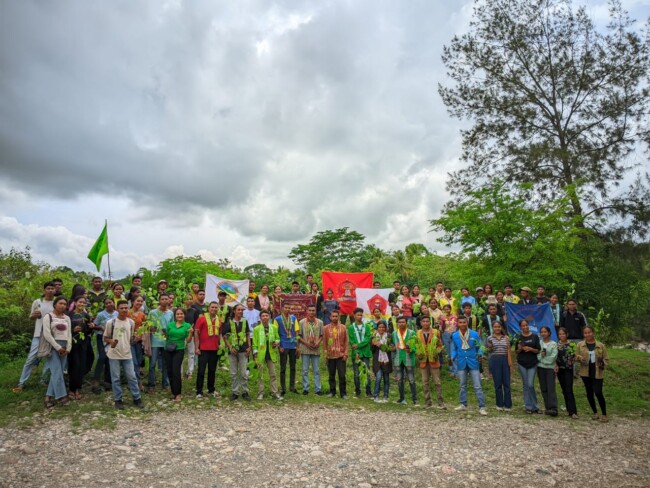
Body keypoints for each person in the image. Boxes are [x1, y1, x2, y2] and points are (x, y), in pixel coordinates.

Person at [13, 281, 56, 393]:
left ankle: (43, 380)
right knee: (31, 358)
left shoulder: (56, 302)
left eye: (52, 288)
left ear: (55, 290)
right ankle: (22, 383)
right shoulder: (37, 302)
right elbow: (31, 316)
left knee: (49, 357)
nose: (50, 290)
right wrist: (34, 315)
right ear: (44, 290)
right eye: (48, 288)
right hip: (38, 333)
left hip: (52, 335)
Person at [104, 300, 144, 410]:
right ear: (117, 309)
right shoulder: (110, 323)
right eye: (121, 308)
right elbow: (105, 337)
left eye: (126, 308)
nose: (124, 310)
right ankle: (118, 399)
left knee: (132, 377)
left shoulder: (131, 322)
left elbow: (130, 339)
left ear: (128, 309)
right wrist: (110, 341)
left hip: (127, 354)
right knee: (116, 378)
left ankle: (137, 398)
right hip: (114, 355)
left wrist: (136, 339)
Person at [451, 316, 487, 415]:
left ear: (467, 323)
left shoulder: (474, 334)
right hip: (461, 362)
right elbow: (454, 349)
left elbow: (480, 347)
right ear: (457, 324)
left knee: (477, 385)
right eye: (460, 322)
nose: (462, 324)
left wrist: (480, 354)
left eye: (464, 322)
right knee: (462, 385)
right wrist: (452, 356)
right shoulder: (454, 335)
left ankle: (482, 406)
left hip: (473, 362)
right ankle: (463, 404)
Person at [42, 296, 72, 408]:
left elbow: (69, 334)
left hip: (64, 347)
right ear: (55, 304)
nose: (63, 306)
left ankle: (48, 397)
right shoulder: (48, 317)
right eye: (60, 303)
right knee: (57, 371)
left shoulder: (67, 318)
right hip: (52, 347)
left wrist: (68, 348)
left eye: (65, 304)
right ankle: (61, 396)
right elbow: (47, 334)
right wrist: (57, 347)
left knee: (57, 372)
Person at [576, 325, 609, 422]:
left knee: (598, 392)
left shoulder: (601, 345)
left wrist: (603, 363)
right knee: (589, 392)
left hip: (597, 372)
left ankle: (604, 414)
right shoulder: (580, 345)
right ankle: (595, 412)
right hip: (585, 372)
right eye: (585, 333)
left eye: (589, 332)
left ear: (593, 333)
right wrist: (579, 358)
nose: (588, 334)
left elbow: (606, 359)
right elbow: (576, 356)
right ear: (583, 334)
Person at [415, 316, 445, 409]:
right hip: (423, 360)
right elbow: (416, 345)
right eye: (423, 321)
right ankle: (428, 402)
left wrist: (437, 351)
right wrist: (417, 353)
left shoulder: (436, 332)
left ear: (430, 322)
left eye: (427, 321)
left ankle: (441, 402)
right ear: (421, 323)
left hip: (434, 360)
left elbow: (440, 345)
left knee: (437, 382)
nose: (425, 323)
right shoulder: (418, 333)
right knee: (425, 382)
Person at [194, 301, 222, 399]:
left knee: (212, 370)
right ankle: (199, 391)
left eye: (216, 307)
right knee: (201, 370)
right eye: (212, 307)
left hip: (214, 349)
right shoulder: (201, 319)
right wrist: (196, 347)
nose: (214, 309)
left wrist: (221, 345)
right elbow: (196, 333)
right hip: (203, 349)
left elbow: (220, 334)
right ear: (208, 308)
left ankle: (211, 390)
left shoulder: (219, 319)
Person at [222, 304, 251, 401]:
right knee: (233, 373)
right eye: (238, 310)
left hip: (243, 350)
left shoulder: (245, 321)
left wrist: (249, 346)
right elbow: (225, 337)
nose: (240, 311)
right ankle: (235, 392)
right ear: (234, 311)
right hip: (233, 351)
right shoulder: (228, 322)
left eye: (242, 310)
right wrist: (230, 347)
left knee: (243, 373)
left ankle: (245, 392)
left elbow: (247, 335)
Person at [252, 310, 282, 400]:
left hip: (271, 353)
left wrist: (276, 343)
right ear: (260, 318)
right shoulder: (256, 329)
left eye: (266, 316)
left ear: (269, 317)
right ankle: (260, 393)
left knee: (273, 374)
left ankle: (275, 392)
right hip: (260, 354)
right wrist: (255, 353)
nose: (265, 317)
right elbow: (254, 342)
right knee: (260, 375)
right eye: (263, 316)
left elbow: (277, 338)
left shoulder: (274, 327)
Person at [164, 308, 193, 402]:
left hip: (179, 350)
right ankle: (173, 392)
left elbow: (188, 340)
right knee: (169, 371)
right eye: (177, 314)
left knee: (176, 371)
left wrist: (191, 333)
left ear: (184, 315)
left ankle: (178, 394)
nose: (179, 315)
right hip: (168, 349)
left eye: (181, 314)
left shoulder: (187, 326)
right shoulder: (170, 325)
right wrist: (163, 334)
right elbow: (166, 336)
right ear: (175, 316)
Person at [146, 293, 173, 393]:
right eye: (162, 299)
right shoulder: (153, 312)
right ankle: (151, 384)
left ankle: (165, 384)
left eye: (167, 299)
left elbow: (172, 326)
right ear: (159, 300)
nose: (165, 301)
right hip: (155, 342)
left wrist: (168, 333)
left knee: (166, 364)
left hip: (166, 342)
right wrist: (152, 328)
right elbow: (148, 325)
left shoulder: (170, 313)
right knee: (152, 363)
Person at [66, 295, 92, 400]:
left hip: (83, 343)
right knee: (74, 365)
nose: (81, 304)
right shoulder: (69, 315)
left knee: (81, 365)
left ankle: (78, 388)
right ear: (75, 303)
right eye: (80, 302)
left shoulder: (86, 315)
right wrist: (73, 330)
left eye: (83, 302)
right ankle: (72, 389)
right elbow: (65, 330)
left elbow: (88, 331)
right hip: (72, 343)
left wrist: (91, 327)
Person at [91, 297, 117, 393]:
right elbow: (94, 325)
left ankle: (108, 381)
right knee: (102, 357)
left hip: (113, 339)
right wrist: (101, 328)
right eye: (106, 303)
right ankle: (96, 380)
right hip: (101, 338)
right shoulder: (101, 314)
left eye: (110, 302)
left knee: (110, 358)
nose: (109, 304)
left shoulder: (117, 313)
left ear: (113, 303)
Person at [515, 319, 541, 414]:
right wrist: (519, 349)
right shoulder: (518, 337)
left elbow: (538, 350)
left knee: (530, 384)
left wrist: (531, 349)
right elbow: (516, 352)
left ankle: (535, 405)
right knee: (525, 385)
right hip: (522, 363)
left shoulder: (534, 336)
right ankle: (528, 406)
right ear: (520, 327)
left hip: (532, 363)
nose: (525, 327)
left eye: (526, 325)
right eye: (523, 326)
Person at [323, 310, 348, 398]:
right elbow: (325, 343)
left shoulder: (343, 327)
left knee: (342, 375)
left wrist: (345, 354)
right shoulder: (325, 328)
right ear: (330, 317)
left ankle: (343, 393)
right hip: (330, 355)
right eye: (333, 316)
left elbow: (346, 342)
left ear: (339, 317)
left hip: (341, 355)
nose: (334, 318)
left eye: (336, 316)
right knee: (331, 375)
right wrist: (325, 355)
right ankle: (332, 392)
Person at [298, 305, 323, 395]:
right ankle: (306, 388)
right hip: (305, 349)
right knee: (305, 370)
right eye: (310, 310)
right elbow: (299, 336)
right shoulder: (301, 322)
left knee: (316, 370)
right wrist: (306, 343)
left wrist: (318, 343)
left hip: (316, 349)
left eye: (313, 310)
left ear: (315, 311)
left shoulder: (320, 322)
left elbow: (321, 335)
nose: (312, 312)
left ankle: (318, 389)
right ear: (307, 311)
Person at [487, 322, 512, 411]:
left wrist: (510, 364)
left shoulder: (506, 338)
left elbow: (509, 351)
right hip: (495, 360)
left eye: (499, 327)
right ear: (492, 328)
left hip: (505, 360)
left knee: (506, 383)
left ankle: (508, 405)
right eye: (495, 327)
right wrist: (489, 347)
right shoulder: (490, 338)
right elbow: (489, 352)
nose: (497, 328)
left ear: (501, 328)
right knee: (497, 383)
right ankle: (499, 404)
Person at [392, 316, 417, 405]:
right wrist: (392, 348)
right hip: (398, 359)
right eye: (400, 322)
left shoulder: (412, 333)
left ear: (406, 323)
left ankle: (415, 399)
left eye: (403, 322)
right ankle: (401, 398)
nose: (401, 324)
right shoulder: (394, 333)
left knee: (411, 379)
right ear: (397, 323)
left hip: (408, 358)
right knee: (399, 380)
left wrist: (411, 350)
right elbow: (393, 345)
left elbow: (415, 346)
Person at [348, 307, 373, 397]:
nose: (359, 316)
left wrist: (358, 346)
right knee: (356, 373)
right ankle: (357, 391)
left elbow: (367, 339)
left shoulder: (366, 326)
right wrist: (356, 352)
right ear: (354, 316)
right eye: (358, 315)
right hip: (356, 354)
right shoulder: (351, 327)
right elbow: (352, 341)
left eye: (361, 315)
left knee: (366, 372)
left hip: (365, 352)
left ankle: (368, 391)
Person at [560, 299, 587, 377]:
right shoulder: (564, 314)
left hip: (578, 339)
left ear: (576, 305)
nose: (571, 306)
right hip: (568, 339)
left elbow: (585, 327)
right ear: (567, 305)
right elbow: (562, 327)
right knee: (569, 356)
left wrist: (585, 338)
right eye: (570, 304)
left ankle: (580, 373)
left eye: (573, 304)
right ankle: (571, 373)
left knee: (578, 356)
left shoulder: (580, 315)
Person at [276, 303, 299, 396]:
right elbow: (275, 333)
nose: (287, 309)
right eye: (286, 307)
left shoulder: (293, 318)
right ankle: (283, 388)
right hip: (283, 345)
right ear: (282, 309)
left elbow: (297, 332)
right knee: (283, 368)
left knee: (293, 367)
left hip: (292, 345)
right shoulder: (277, 319)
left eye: (289, 307)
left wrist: (297, 346)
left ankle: (292, 387)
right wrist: (279, 346)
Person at [555, 327, 578, 419]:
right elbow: (554, 356)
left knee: (569, 389)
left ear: (567, 334)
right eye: (560, 334)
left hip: (568, 368)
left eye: (563, 334)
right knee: (564, 390)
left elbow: (575, 355)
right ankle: (569, 410)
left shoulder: (571, 344)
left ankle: (573, 411)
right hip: (560, 369)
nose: (561, 336)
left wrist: (576, 357)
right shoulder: (556, 344)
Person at [184, 290, 207, 379]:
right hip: (181, 334)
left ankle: (190, 372)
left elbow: (196, 322)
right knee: (180, 353)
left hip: (191, 334)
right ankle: (180, 372)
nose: (188, 300)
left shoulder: (194, 310)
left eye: (190, 299)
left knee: (191, 353)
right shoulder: (179, 310)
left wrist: (192, 329)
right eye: (187, 299)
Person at [537, 326, 558, 416]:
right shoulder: (539, 343)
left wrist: (544, 360)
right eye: (542, 332)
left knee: (551, 388)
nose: (543, 333)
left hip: (550, 368)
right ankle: (547, 407)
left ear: (549, 333)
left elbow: (554, 356)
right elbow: (537, 356)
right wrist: (541, 357)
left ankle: (553, 408)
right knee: (544, 388)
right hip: (540, 367)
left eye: (545, 331)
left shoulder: (553, 344)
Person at [128, 296, 146, 388]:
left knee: (139, 361)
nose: (139, 303)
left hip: (138, 341)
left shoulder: (142, 314)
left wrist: (140, 335)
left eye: (141, 301)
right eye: (138, 301)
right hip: (129, 340)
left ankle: (135, 380)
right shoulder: (127, 312)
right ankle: (137, 382)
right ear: (132, 302)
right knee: (133, 361)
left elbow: (144, 327)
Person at [371, 321, 392, 402]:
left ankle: (385, 396)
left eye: (383, 327)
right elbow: (372, 350)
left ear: (386, 328)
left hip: (386, 360)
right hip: (377, 360)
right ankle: (375, 395)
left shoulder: (389, 336)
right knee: (378, 377)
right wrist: (373, 344)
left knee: (386, 379)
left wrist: (381, 346)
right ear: (377, 328)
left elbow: (390, 349)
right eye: (380, 327)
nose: (381, 329)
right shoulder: (374, 337)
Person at [440, 304, 458, 376]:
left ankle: (456, 371)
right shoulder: (442, 317)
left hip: (453, 335)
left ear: (450, 309)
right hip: (445, 335)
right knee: (449, 354)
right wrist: (443, 322)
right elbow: (442, 328)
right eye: (445, 309)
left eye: (448, 309)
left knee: (453, 352)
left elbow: (456, 326)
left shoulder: (455, 317)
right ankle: (451, 370)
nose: (446, 310)